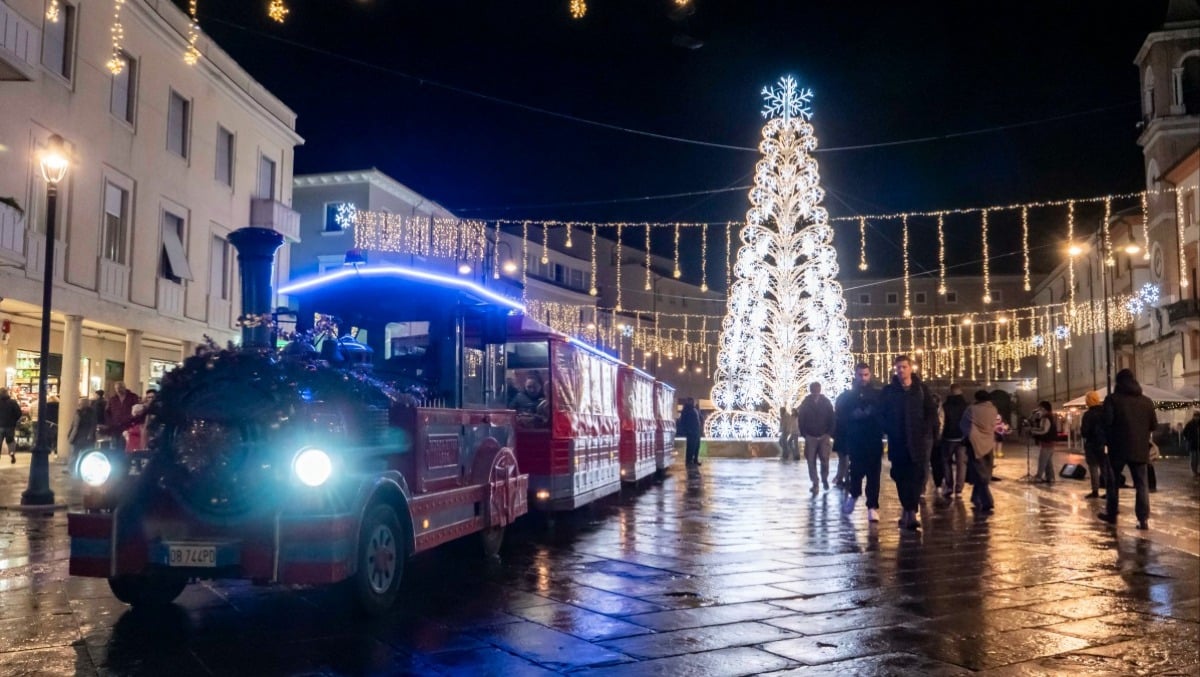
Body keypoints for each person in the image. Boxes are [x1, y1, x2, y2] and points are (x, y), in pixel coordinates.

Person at [877, 355, 939, 530]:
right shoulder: (889, 391)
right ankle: (908, 509)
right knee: (901, 477)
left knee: (917, 477)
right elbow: (880, 414)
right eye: (898, 367)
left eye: (904, 367)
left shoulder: (921, 389)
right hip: (898, 442)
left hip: (918, 442)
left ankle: (910, 511)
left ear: (911, 368)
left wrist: (926, 430)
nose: (901, 370)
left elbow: (931, 413)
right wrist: (890, 428)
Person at [1099, 369, 1157, 530]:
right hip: (1140, 449)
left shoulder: (1112, 400)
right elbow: (1154, 425)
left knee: (1113, 482)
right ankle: (1143, 519)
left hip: (1117, 448)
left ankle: (1111, 513)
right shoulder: (1146, 401)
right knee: (1141, 485)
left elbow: (1107, 422)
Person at [836, 363, 884, 522]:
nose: (863, 378)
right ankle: (854, 494)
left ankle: (872, 506)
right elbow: (841, 417)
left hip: (873, 439)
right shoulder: (848, 396)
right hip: (855, 440)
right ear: (855, 376)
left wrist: (872, 414)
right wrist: (853, 416)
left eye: (865, 375)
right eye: (860, 375)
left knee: (873, 475)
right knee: (855, 471)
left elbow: (884, 413)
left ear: (870, 375)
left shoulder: (878, 395)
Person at [961, 389, 999, 514]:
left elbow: (963, 425)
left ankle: (987, 501)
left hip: (975, 443)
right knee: (986, 470)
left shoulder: (971, 409)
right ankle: (975, 496)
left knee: (979, 472)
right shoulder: (993, 409)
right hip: (989, 442)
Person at [798, 381, 836, 494]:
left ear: (820, 390)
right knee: (811, 461)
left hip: (824, 436)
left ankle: (824, 479)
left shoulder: (826, 402)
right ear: (811, 390)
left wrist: (829, 433)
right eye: (814, 389)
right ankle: (815, 482)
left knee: (825, 459)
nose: (815, 392)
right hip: (811, 436)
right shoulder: (805, 403)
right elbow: (801, 419)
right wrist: (805, 434)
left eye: (817, 389)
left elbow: (832, 418)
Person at [939, 384, 969, 500]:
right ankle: (959, 488)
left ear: (950, 391)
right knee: (962, 464)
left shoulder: (945, 406)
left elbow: (941, 421)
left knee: (946, 462)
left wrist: (940, 435)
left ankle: (949, 485)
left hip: (948, 437)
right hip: (962, 438)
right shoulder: (966, 406)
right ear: (961, 391)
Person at [1080, 390, 1109, 499]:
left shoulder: (1087, 415)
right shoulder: (1104, 412)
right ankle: (1108, 490)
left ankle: (1095, 491)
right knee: (1105, 468)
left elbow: (1084, 432)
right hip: (1104, 444)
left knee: (1093, 468)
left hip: (1091, 445)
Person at [104, 382, 140, 451]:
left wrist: (132, 419)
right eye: (117, 388)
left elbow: (136, 410)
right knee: (116, 446)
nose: (118, 390)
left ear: (124, 388)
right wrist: (110, 423)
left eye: (120, 388)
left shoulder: (133, 397)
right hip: (116, 426)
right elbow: (107, 412)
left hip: (128, 425)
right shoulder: (113, 399)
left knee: (127, 445)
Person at [66, 397, 97, 474]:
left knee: (85, 453)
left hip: (84, 436)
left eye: (80, 403)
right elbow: (74, 425)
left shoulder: (90, 413)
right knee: (75, 453)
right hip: (78, 436)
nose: (79, 405)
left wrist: (90, 435)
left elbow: (93, 425)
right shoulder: (78, 412)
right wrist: (70, 434)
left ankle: (83, 469)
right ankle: (72, 468)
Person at [1031, 401, 1058, 484]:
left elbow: (1044, 430)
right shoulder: (1051, 416)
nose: (1038, 410)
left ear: (1043, 408)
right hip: (1051, 442)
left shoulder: (1046, 417)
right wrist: (1034, 429)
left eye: (1040, 408)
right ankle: (1051, 477)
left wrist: (1033, 432)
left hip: (1047, 442)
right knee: (1048, 461)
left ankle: (1038, 477)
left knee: (1042, 461)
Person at [678, 397, 703, 467]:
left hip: (697, 431)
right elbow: (683, 422)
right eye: (690, 401)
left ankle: (695, 460)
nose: (692, 402)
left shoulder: (695, 409)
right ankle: (689, 460)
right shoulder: (686, 410)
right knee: (691, 447)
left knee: (696, 446)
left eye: (692, 401)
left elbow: (699, 418)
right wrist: (687, 430)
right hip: (691, 432)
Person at [0, 387, 21, 464]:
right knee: (10, 440)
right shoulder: (13, 402)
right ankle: (12, 453)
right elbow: (19, 413)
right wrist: (14, 420)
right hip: (10, 426)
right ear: (7, 393)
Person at [1183, 410, 1200, 479]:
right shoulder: (1190, 424)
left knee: (1198, 459)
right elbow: (1185, 432)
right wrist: (1189, 438)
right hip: (1193, 444)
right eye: (1195, 416)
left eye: (1197, 416)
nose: (1196, 417)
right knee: (1193, 459)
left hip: (1198, 445)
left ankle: (1196, 471)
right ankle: (1194, 471)